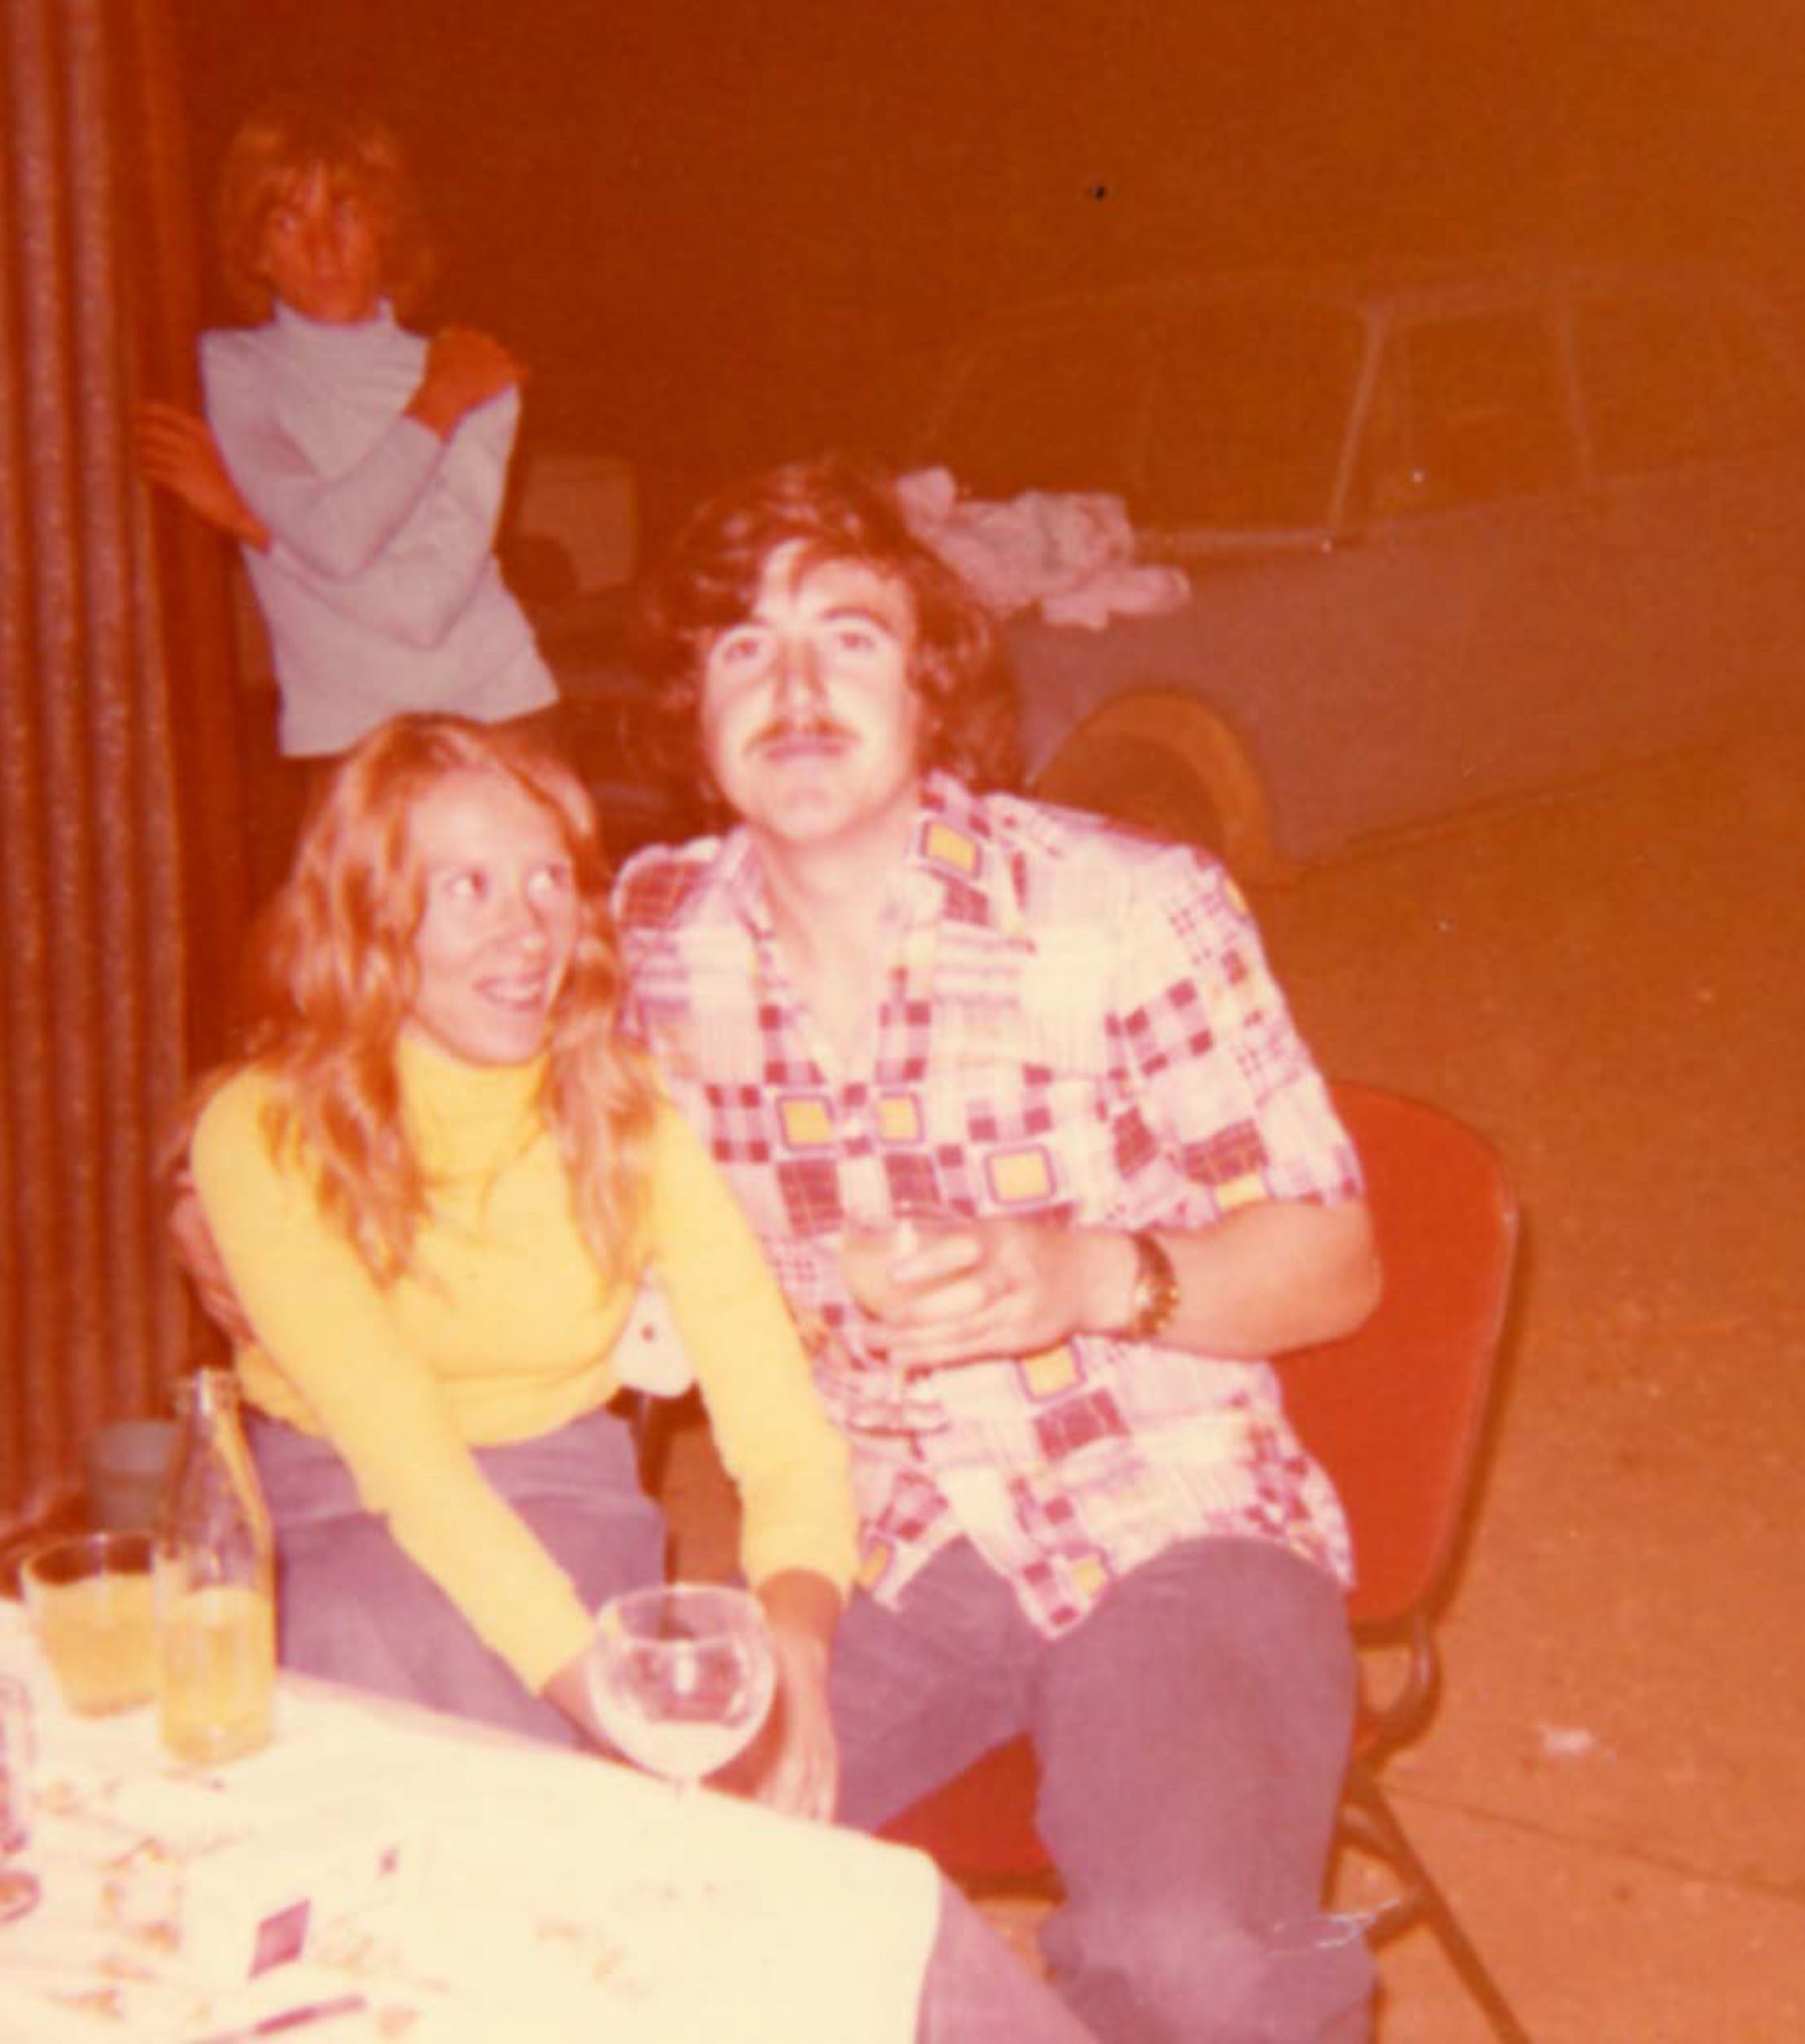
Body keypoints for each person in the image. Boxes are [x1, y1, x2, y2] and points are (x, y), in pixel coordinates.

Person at [611, 457, 1384, 2043]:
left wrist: (1087, 1274)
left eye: (849, 635)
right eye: (745, 648)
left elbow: (1336, 1255)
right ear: (692, 707)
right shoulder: (648, 946)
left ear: (931, 683)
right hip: (869, 1549)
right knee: (638, 1900)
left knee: (1188, 1960)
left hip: (1165, 1512)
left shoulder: (1119, 906)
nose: (799, 685)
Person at [183, 713, 853, 1813]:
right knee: (388, 1662)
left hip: (564, 1489)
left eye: (548, 882)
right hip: (336, 1495)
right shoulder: (261, 1133)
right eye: (467, 889)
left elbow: (782, 1430)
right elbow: (408, 1464)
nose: (527, 932)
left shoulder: (628, 1121)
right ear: (371, 918)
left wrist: (797, 1669)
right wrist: (616, 1713)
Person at [137, 101, 557, 864]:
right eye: (288, 221)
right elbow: (335, 538)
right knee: (358, 983)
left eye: (348, 213)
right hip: (350, 739)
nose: (323, 247)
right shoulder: (230, 370)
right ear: (255, 251)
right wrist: (434, 408)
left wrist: (245, 520)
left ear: (387, 230)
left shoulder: (477, 378)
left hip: (497, 714)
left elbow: (423, 610)